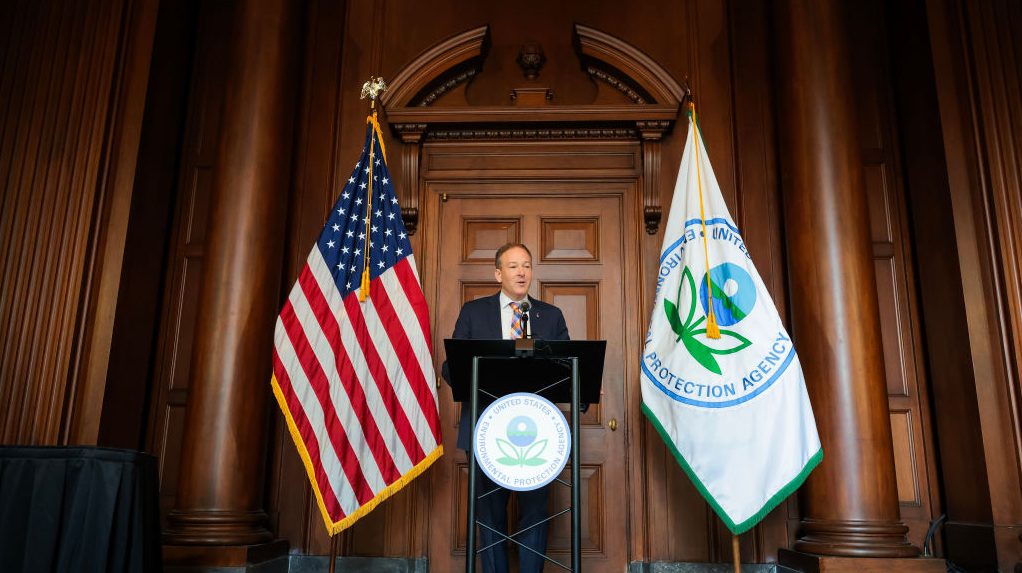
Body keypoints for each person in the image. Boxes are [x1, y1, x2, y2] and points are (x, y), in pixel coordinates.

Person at [444, 242, 569, 573]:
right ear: (498, 273)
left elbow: (568, 368)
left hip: (538, 431)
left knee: (534, 513)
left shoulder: (551, 316)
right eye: (513, 266)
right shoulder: (473, 312)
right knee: (490, 515)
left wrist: (582, 384)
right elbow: (450, 369)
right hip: (486, 427)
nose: (521, 272)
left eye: (526, 265)